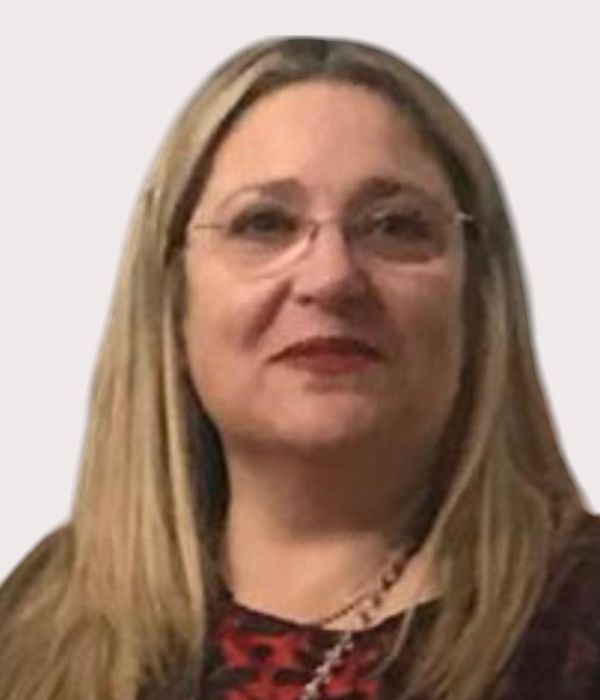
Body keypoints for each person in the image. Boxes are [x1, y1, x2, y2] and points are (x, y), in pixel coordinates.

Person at [0, 36, 598, 700]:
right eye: (264, 224)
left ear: (479, 298)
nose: (331, 277)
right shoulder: (35, 622)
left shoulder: (579, 617)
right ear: (170, 301)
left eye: (394, 225)